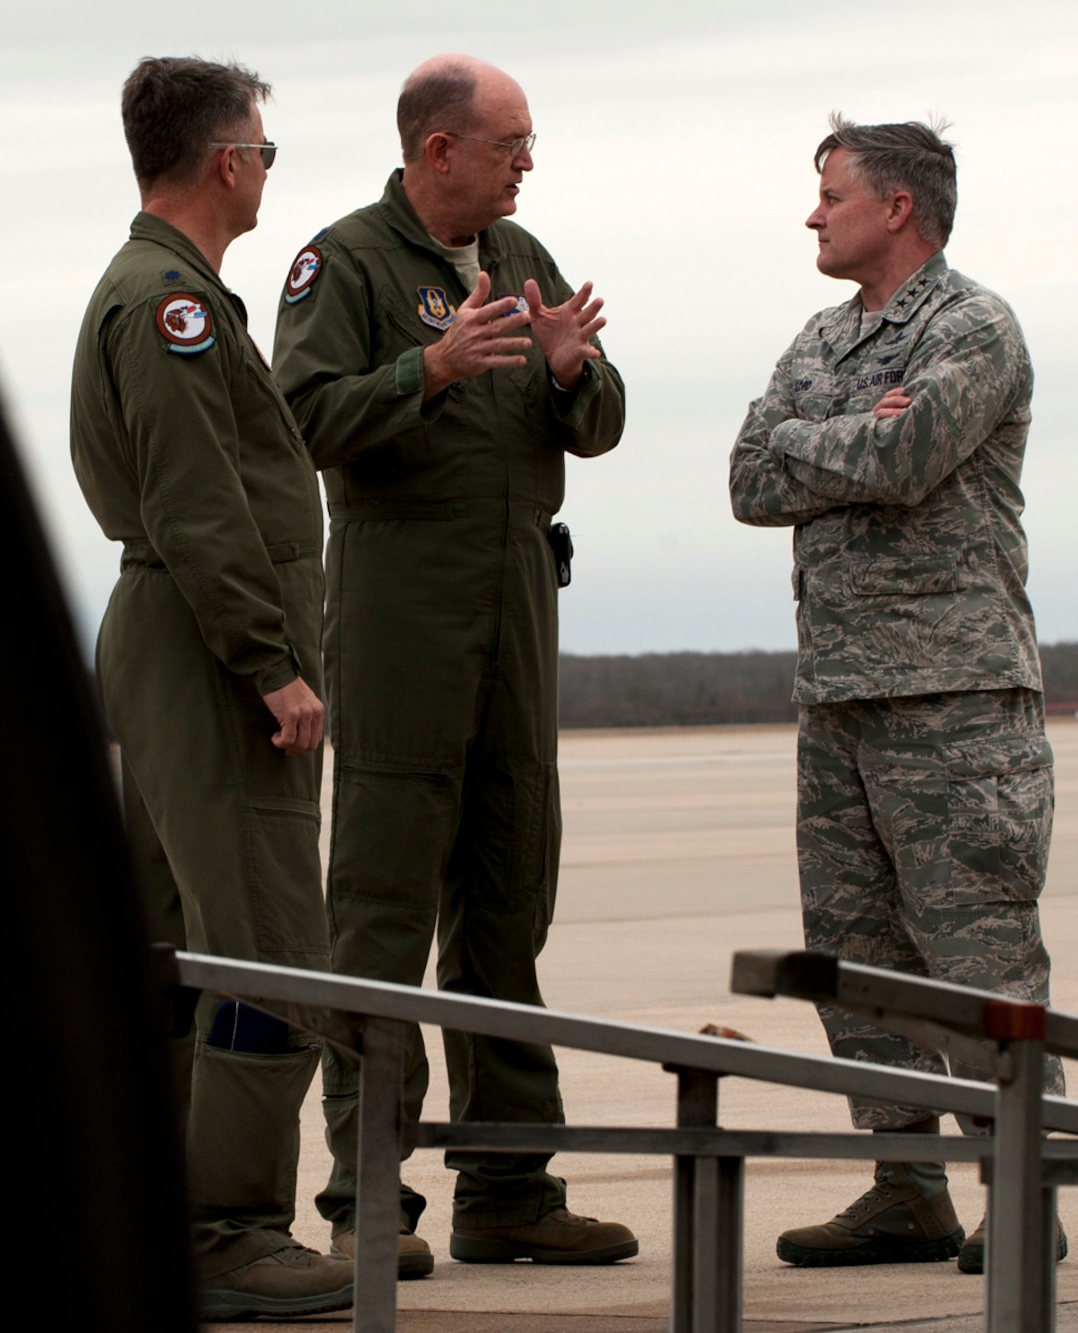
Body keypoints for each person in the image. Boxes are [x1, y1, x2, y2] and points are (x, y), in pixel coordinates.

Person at [271, 54, 635, 1273]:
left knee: (506, 898)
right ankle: (366, 1198)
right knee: (378, 907)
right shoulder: (346, 263)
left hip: (515, 606)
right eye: (510, 142)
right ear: (438, 150)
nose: (527, 163)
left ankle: (508, 1185)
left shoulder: (523, 259)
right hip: (398, 611)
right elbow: (302, 416)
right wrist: (422, 370)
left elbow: (593, 417)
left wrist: (574, 371)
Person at [728, 116, 1066, 1273]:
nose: (812, 214)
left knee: (975, 952)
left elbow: (905, 458)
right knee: (856, 952)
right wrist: (841, 439)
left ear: (898, 208)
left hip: (953, 699)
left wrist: (814, 447)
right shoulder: (822, 338)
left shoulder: (971, 327)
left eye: (829, 194)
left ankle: (1023, 1188)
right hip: (837, 697)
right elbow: (742, 474)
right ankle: (902, 1184)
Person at [69, 56, 353, 1319]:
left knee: (176, 944)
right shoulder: (169, 306)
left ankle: (168, 1215)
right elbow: (197, 503)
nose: (264, 176)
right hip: (208, 655)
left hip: (170, 640)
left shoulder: (155, 291)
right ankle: (230, 1229)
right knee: (262, 950)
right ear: (226, 160)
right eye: (263, 153)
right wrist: (271, 664)